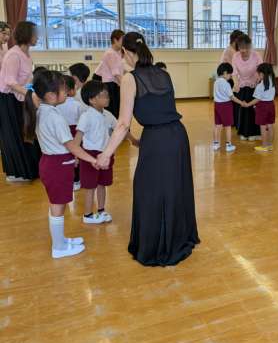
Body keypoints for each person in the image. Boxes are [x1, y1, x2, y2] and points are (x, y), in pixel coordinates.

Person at [96, 32, 199, 266]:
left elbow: (123, 123)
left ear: (125, 52)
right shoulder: (164, 73)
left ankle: (157, 245)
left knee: (150, 190)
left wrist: (105, 154)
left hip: (156, 138)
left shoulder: (130, 79)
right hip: (177, 136)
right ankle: (175, 238)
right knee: (173, 188)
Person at [22, 70, 98, 259]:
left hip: (55, 163)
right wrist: (92, 159)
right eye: (63, 90)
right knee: (57, 206)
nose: (67, 93)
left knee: (59, 204)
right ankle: (58, 247)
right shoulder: (54, 117)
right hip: (57, 166)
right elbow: (71, 145)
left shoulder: (44, 111)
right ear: (50, 95)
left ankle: (61, 240)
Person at [0, 21, 41, 182]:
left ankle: (31, 169)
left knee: (26, 132)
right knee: (15, 135)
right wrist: (30, 94)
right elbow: (10, 81)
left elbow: (25, 79)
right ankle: (18, 173)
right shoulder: (14, 55)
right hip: (8, 99)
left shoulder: (26, 54)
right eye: (35, 34)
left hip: (20, 96)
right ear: (26, 35)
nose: (37, 37)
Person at [74, 81, 118, 225]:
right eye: (103, 95)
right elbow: (77, 139)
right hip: (90, 156)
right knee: (90, 187)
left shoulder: (108, 114)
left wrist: (134, 140)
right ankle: (87, 215)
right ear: (92, 100)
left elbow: (120, 128)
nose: (107, 97)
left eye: (107, 95)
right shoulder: (86, 116)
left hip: (105, 154)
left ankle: (101, 210)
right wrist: (76, 156)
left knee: (102, 184)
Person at [232, 34, 263, 140]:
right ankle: (244, 133)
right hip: (241, 84)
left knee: (253, 109)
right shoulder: (236, 56)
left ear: (250, 46)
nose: (243, 50)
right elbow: (234, 72)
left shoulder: (256, 55)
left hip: (254, 85)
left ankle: (255, 133)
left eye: (246, 48)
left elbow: (260, 70)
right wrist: (236, 84)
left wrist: (259, 80)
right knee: (243, 108)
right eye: (241, 48)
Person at [56, 75, 84, 191]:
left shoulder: (56, 105)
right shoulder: (78, 105)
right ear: (72, 91)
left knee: (64, 156)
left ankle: (65, 180)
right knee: (76, 156)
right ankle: (76, 180)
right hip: (75, 133)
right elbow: (82, 121)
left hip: (62, 134)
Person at [213, 62, 244, 153]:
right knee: (228, 126)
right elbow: (232, 97)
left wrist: (232, 90)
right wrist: (241, 102)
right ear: (225, 73)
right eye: (230, 74)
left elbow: (225, 92)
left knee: (217, 125)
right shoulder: (226, 83)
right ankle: (229, 145)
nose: (230, 77)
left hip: (217, 105)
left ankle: (216, 144)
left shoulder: (216, 82)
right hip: (225, 106)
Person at [244, 63, 276, 153]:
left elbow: (257, 99)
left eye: (258, 74)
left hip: (262, 107)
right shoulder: (272, 81)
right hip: (271, 105)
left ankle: (264, 146)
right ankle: (270, 145)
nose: (257, 76)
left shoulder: (261, 85)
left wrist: (247, 104)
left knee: (263, 127)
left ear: (262, 74)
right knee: (270, 125)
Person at [93, 29, 125, 118]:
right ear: (115, 40)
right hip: (107, 82)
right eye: (122, 40)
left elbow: (121, 70)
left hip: (113, 82)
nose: (124, 43)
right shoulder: (110, 53)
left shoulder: (119, 52)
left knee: (117, 107)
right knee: (112, 108)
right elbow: (116, 73)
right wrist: (125, 84)